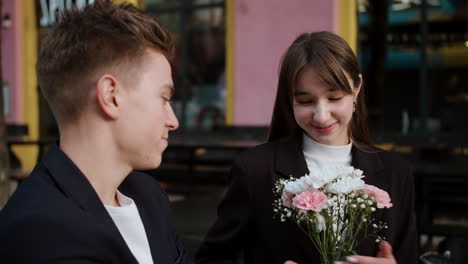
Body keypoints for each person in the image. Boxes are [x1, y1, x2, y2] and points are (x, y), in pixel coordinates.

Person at [195, 32, 418, 264]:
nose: (321, 116)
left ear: (357, 87)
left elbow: (408, 256)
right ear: (289, 99)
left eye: (334, 98)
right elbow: (211, 259)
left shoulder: (396, 172)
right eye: (305, 101)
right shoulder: (255, 170)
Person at [0, 1, 190, 263]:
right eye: (164, 98)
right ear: (111, 96)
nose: (173, 121)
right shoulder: (38, 233)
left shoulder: (149, 195)